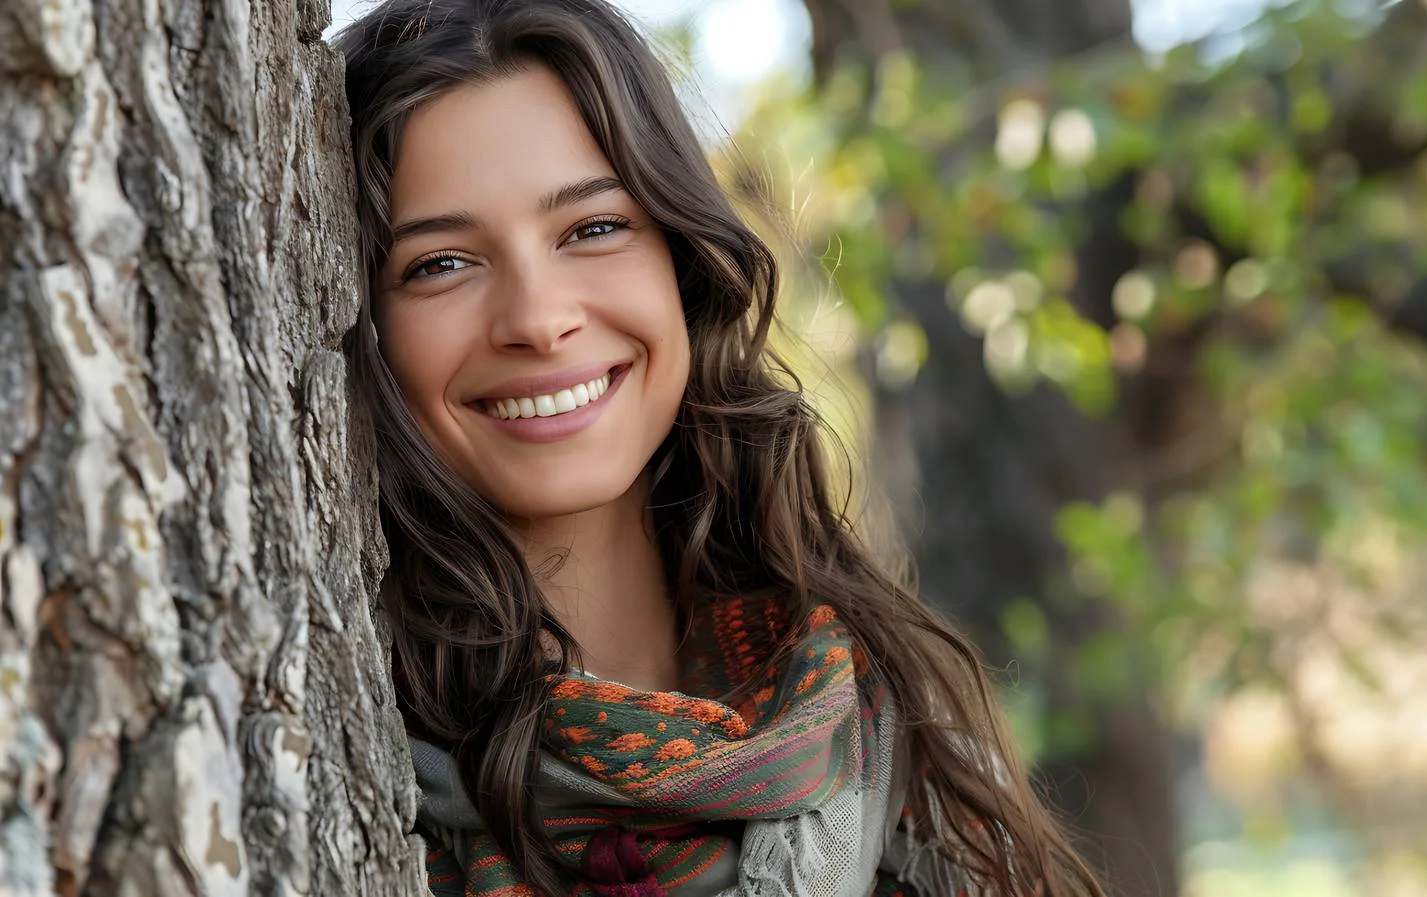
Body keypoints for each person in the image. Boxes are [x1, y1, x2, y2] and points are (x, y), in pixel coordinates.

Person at [335, 1, 1105, 894]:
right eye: (440, 264)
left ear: (683, 260)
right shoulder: (342, 758)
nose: (540, 320)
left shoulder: (903, 751)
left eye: (592, 229)